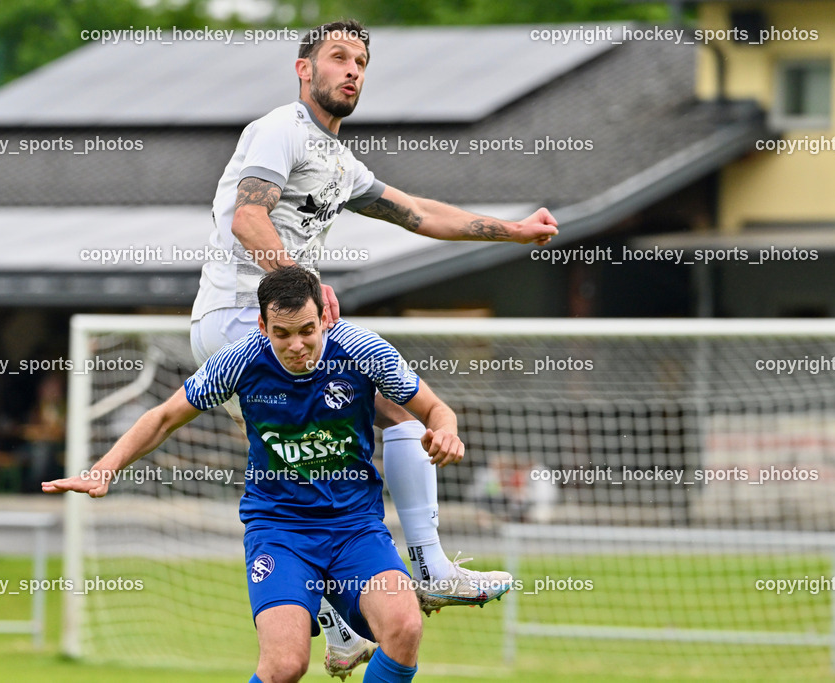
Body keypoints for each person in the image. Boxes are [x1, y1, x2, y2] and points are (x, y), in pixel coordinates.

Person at [188, 17, 557, 676]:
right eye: (337, 56)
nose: (352, 69)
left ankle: (336, 624)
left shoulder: (337, 160)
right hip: (242, 322)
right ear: (304, 69)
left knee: (347, 445)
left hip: (275, 320)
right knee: (398, 411)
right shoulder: (279, 129)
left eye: (361, 59)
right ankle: (431, 565)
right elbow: (247, 216)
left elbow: (418, 212)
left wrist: (513, 231)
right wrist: (297, 289)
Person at [45, 266, 501, 682]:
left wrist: (447, 432)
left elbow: (434, 409)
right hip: (280, 533)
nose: (297, 345)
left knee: (404, 628)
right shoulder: (240, 361)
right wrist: (104, 469)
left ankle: (421, 573)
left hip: (355, 530)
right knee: (285, 665)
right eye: (283, 334)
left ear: (324, 318)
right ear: (263, 327)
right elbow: (164, 417)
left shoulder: (363, 350)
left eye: (307, 330)